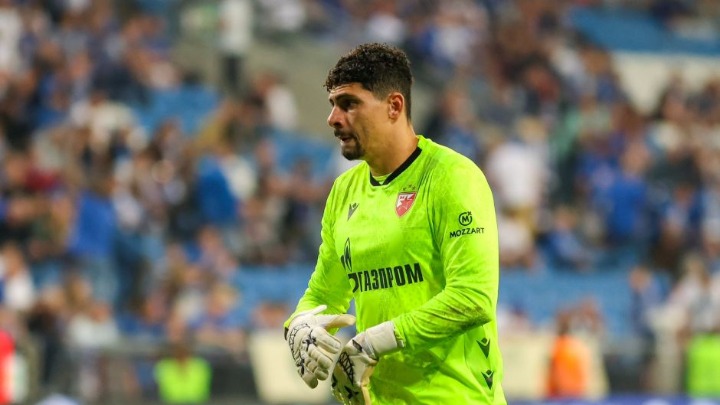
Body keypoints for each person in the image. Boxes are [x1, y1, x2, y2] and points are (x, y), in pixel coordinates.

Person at [283, 43, 505, 404]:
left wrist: (374, 341)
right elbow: (324, 295)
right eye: (333, 105)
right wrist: (300, 324)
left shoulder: (452, 177)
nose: (334, 118)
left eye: (349, 104)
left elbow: (473, 298)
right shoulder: (343, 191)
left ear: (394, 106)